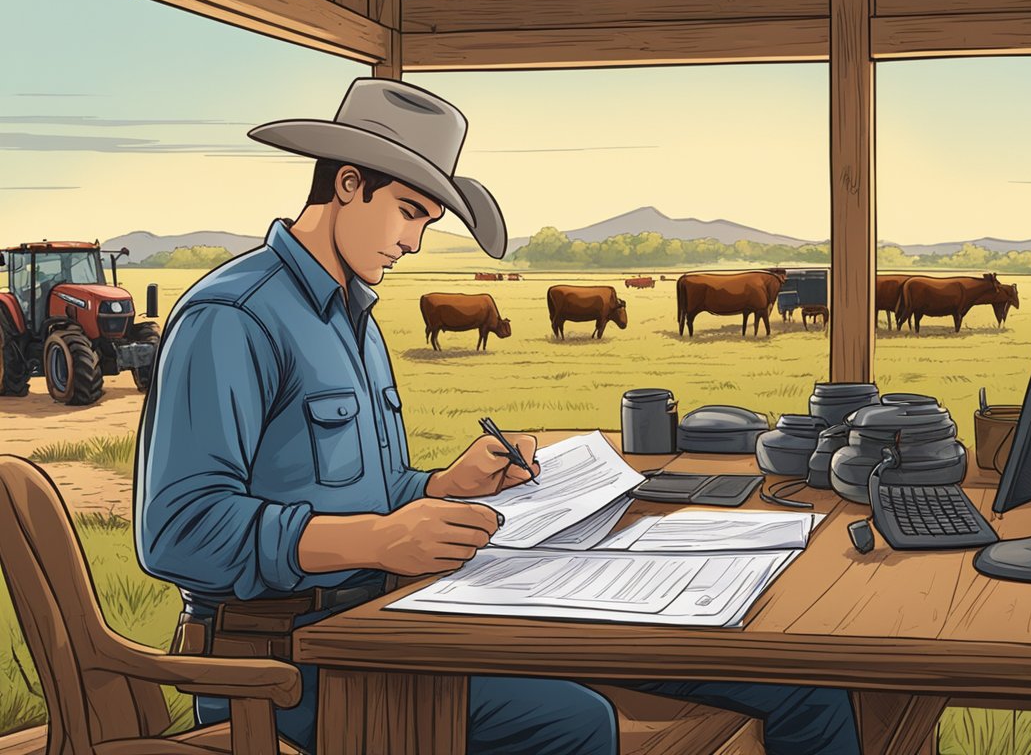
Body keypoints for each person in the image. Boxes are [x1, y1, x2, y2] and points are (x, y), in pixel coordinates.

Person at [134, 77, 860, 755]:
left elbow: (354, 491)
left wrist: (441, 487)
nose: (414, 240)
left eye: (426, 220)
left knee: (800, 683)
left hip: (392, 616)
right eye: (410, 212)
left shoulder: (354, 317)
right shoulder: (232, 317)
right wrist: (383, 538)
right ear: (348, 185)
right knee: (576, 723)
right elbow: (177, 532)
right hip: (286, 662)